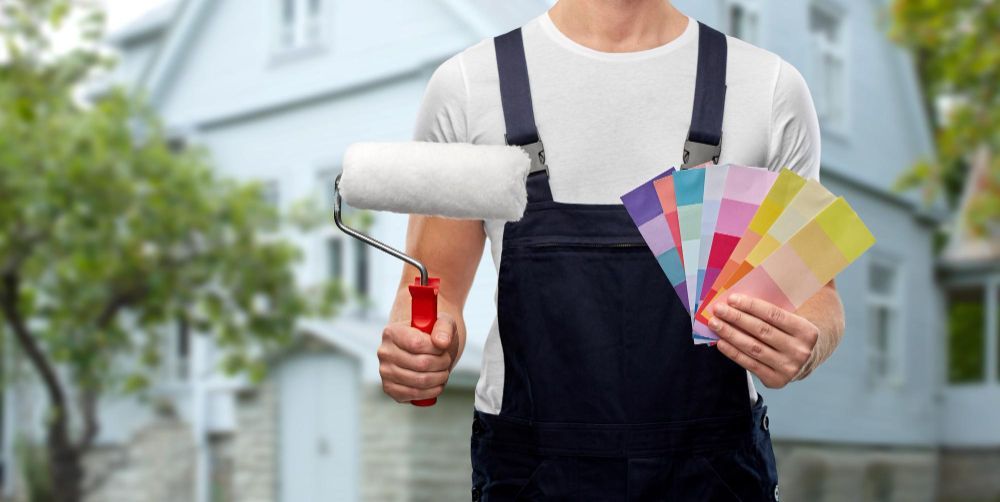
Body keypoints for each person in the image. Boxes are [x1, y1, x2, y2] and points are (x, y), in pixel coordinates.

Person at [376, 0, 845, 499]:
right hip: (531, 473)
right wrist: (419, 349)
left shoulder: (770, 88)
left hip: (714, 475)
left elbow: (818, 296)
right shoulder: (469, 86)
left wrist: (808, 341)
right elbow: (432, 289)